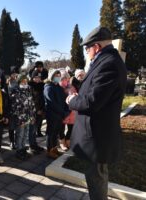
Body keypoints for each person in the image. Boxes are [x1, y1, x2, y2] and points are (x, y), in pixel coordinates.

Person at [66, 26, 127, 200]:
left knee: (96, 179)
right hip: (96, 133)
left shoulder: (109, 64)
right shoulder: (106, 61)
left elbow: (92, 102)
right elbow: (95, 92)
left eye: (87, 48)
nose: (87, 52)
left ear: (97, 47)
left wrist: (72, 100)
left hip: (97, 136)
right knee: (95, 177)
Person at [44, 69, 69, 159]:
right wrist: (62, 112)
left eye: (59, 75)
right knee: (50, 133)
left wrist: (66, 111)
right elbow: (51, 102)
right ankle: (49, 150)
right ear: (52, 77)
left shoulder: (58, 87)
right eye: (56, 75)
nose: (58, 77)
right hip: (52, 114)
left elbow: (64, 100)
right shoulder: (48, 87)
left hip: (60, 115)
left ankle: (54, 148)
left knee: (56, 133)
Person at [10, 75, 36, 160]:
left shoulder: (28, 91)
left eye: (26, 81)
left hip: (28, 117)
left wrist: (32, 116)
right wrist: (20, 118)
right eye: (23, 81)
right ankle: (19, 150)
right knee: (19, 134)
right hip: (20, 118)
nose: (25, 83)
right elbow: (14, 107)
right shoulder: (15, 92)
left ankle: (23, 148)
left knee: (25, 134)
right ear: (19, 82)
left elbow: (31, 104)